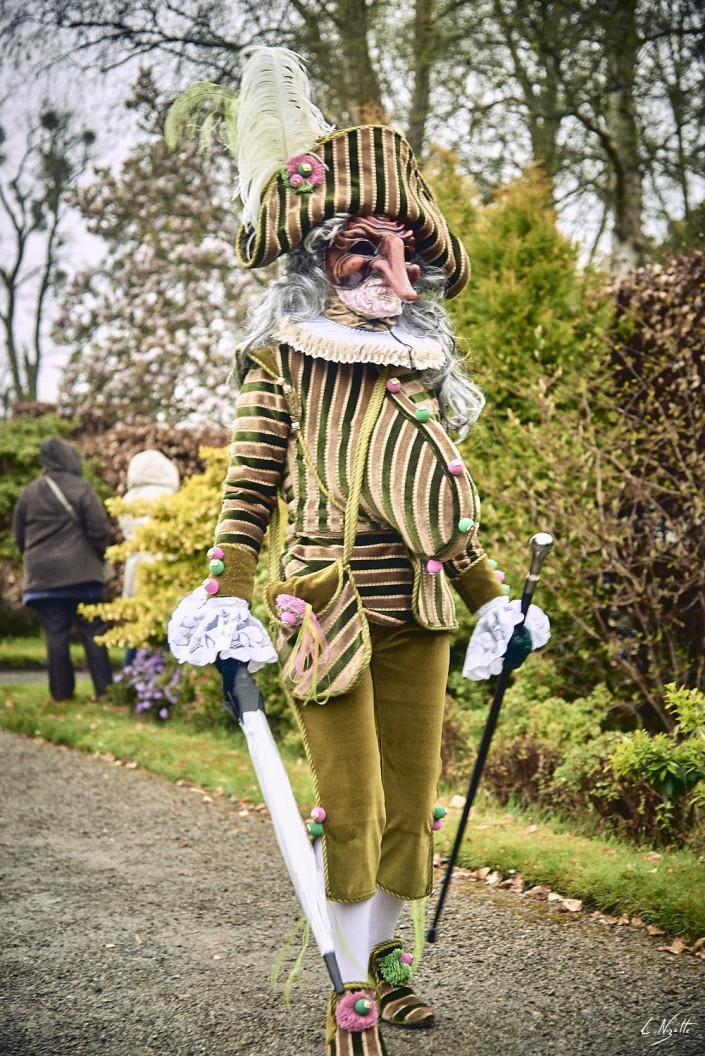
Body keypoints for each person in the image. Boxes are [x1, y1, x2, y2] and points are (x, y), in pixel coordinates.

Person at [167, 47, 550, 1056]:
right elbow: (250, 488)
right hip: (326, 616)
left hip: (418, 617)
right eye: (361, 253)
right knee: (354, 804)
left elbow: (442, 505)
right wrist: (226, 592)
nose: (393, 274)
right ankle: (347, 1000)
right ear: (314, 259)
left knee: (410, 813)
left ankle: (387, 967)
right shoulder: (283, 361)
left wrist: (493, 601)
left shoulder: (417, 367)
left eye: (405, 254)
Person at [12, 436, 114, 702]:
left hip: (43, 578)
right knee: (93, 632)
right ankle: (104, 692)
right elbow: (99, 530)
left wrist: (37, 560)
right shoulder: (81, 488)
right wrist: (100, 555)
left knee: (55, 634)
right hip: (83, 575)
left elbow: (19, 537)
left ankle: (61, 695)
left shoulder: (28, 492)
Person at [119, 449, 180, 666]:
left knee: (137, 632)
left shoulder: (128, 501)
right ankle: (168, 680)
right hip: (167, 571)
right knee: (170, 629)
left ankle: (131, 678)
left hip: (137, 572)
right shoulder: (173, 500)